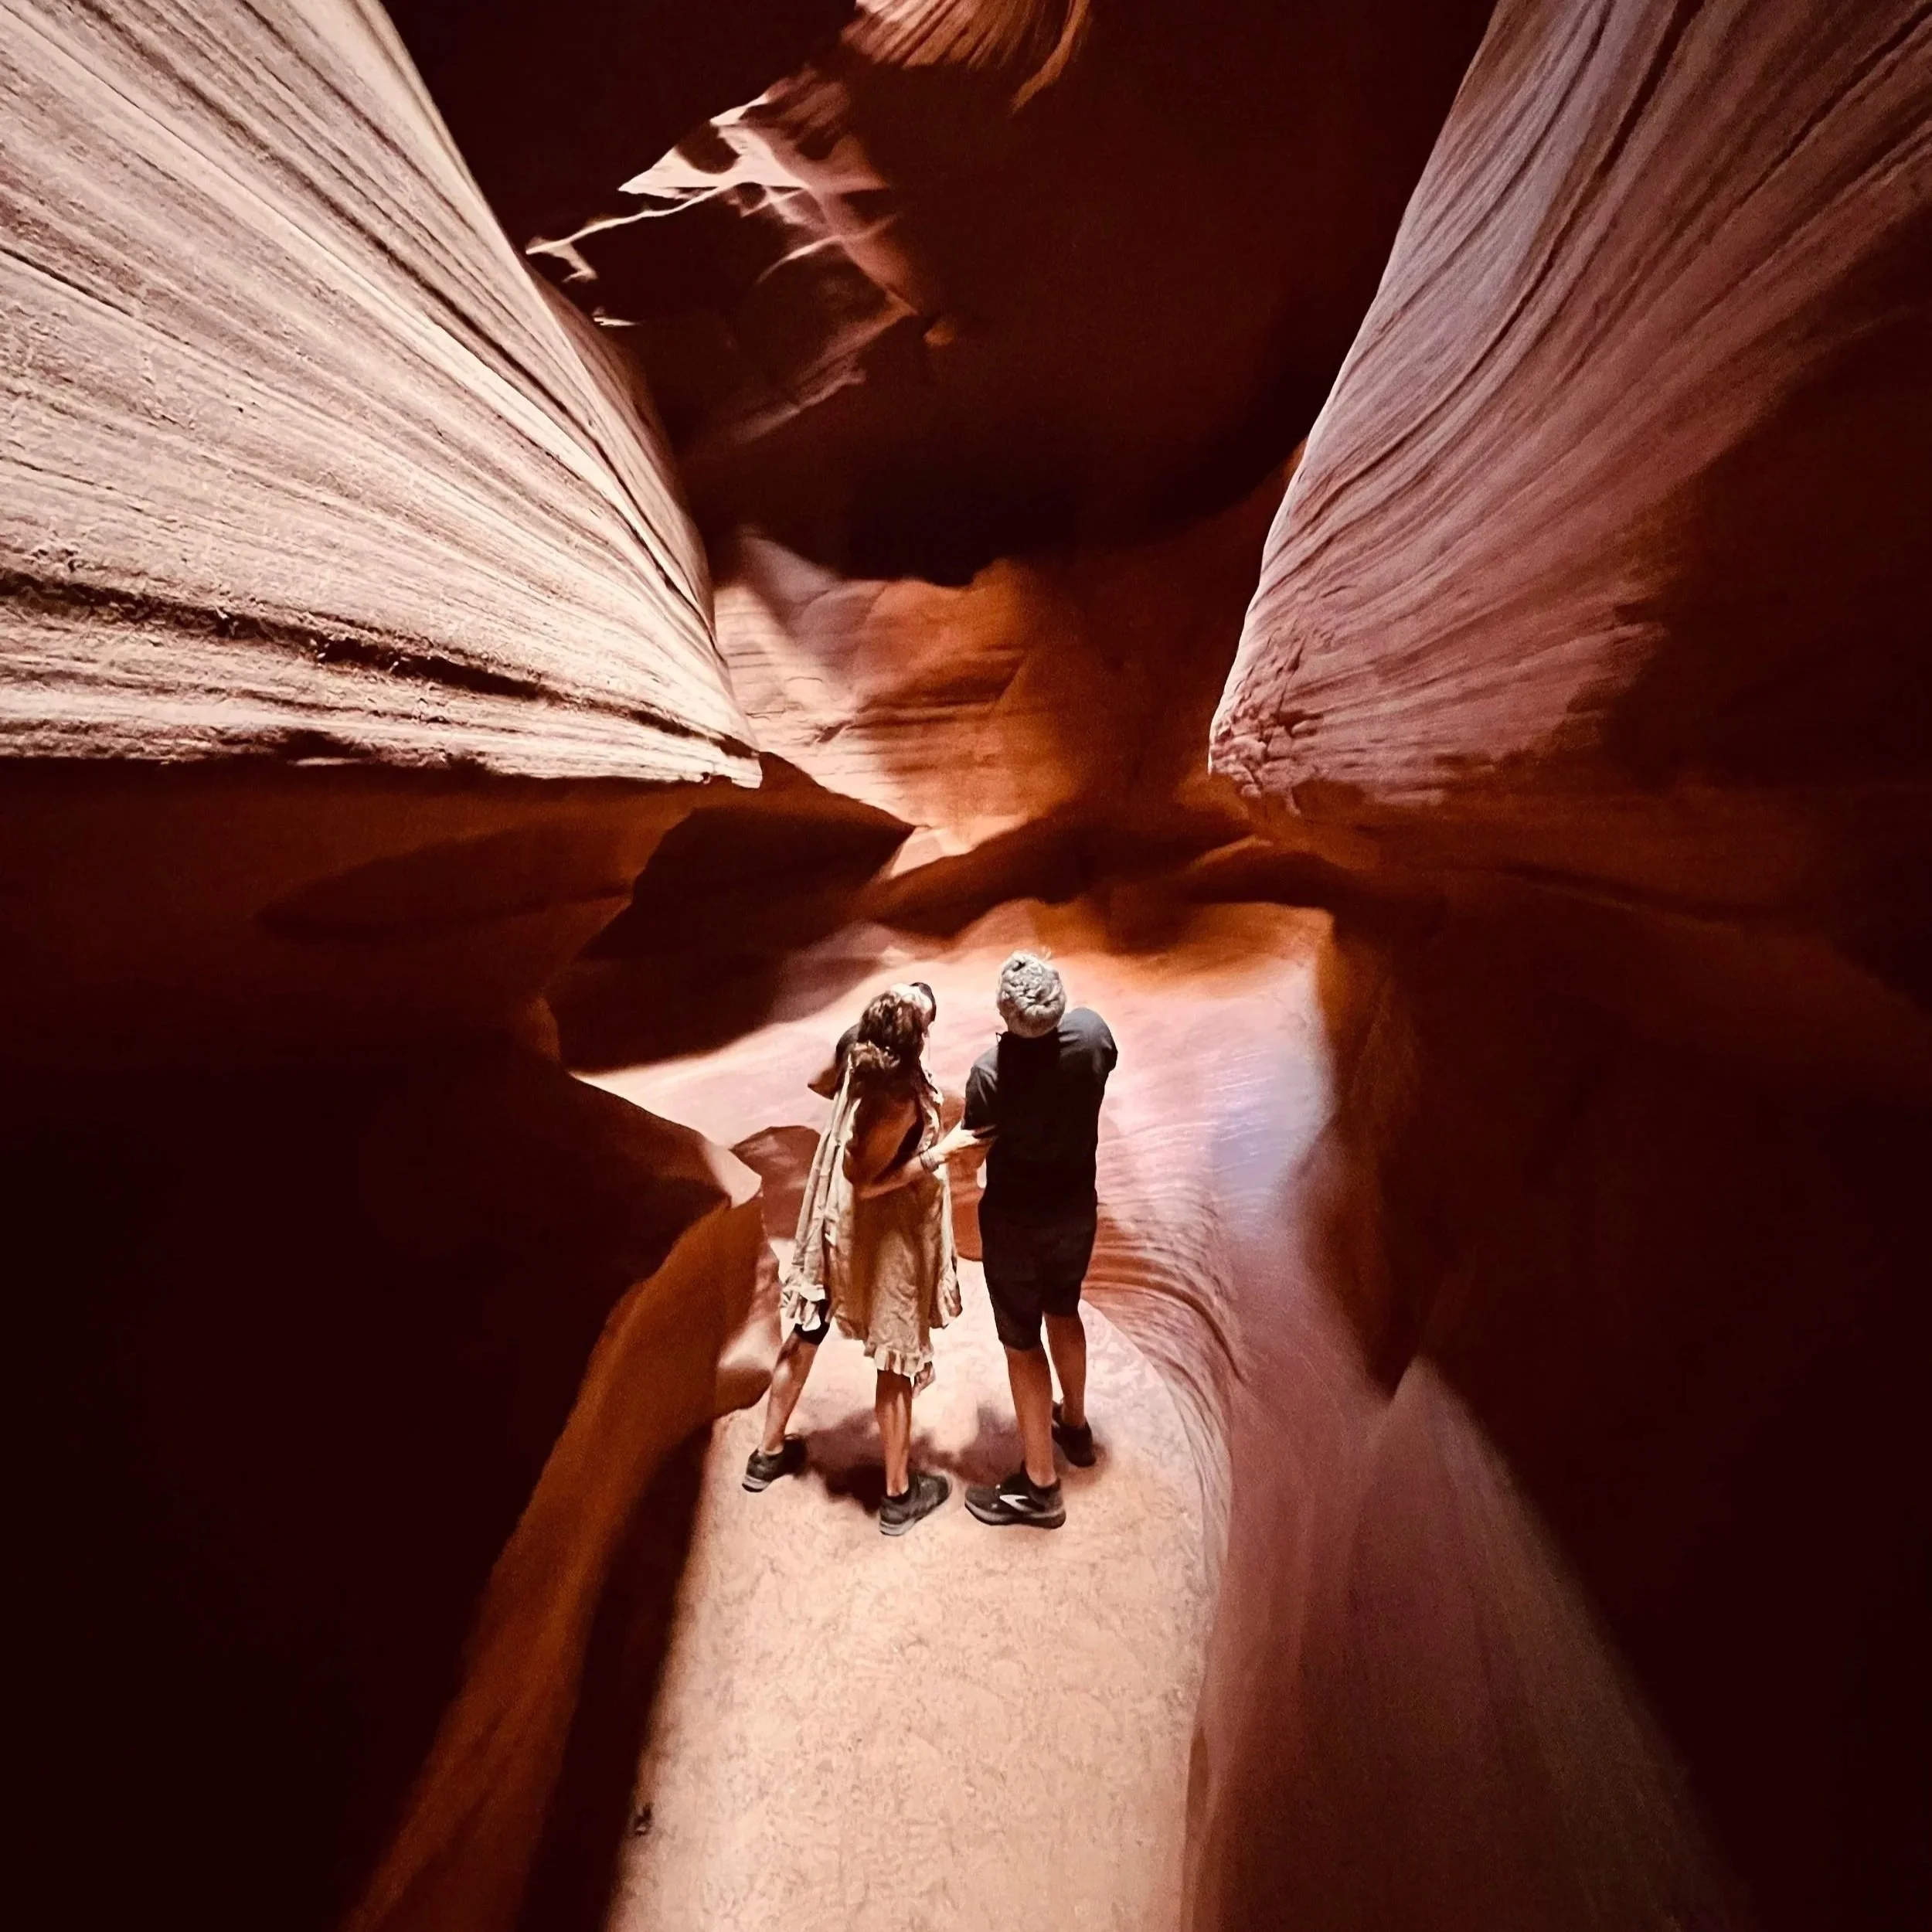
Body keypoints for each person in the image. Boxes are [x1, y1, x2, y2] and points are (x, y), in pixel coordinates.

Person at [743, 984, 960, 1536]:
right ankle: (898, 1495)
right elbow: (867, 1183)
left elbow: (820, 1082)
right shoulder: (900, 1097)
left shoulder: (856, 1051)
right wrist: (940, 1152)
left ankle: (768, 1452)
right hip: (877, 1230)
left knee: (808, 1326)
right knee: (896, 1357)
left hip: (828, 1215)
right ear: (916, 1040)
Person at [957, 953, 1115, 1528]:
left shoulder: (991, 1073)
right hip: (1076, 1210)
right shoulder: (1094, 1036)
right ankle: (1073, 1426)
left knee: (1022, 1343)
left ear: (1006, 1012)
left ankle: (1040, 1487)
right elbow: (1095, 1068)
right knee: (1064, 1307)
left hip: (1016, 1226)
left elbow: (978, 1137)